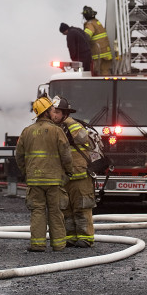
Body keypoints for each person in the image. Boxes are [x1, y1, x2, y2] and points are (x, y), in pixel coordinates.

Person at [15, 96, 74, 252]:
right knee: (56, 211)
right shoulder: (57, 131)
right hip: (54, 180)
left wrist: (26, 172)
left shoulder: (26, 132)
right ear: (47, 112)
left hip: (34, 179)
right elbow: (66, 155)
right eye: (52, 110)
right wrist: (69, 171)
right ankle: (59, 245)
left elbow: (19, 156)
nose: (54, 112)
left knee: (37, 211)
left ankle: (37, 244)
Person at [49, 96, 96, 247]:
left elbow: (84, 139)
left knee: (82, 207)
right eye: (53, 111)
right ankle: (70, 237)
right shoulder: (53, 128)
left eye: (57, 112)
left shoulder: (74, 125)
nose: (54, 115)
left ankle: (85, 238)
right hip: (64, 176)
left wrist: (69, 122)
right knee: (66, 209)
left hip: (80, 175)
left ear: (65, 113)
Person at [82, 6, 113, 76]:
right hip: (106, 53)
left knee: (97, 74)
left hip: (98, 54)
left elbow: (87, 36)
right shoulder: (97, 22)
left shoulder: (90, 24)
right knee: (105, 73)